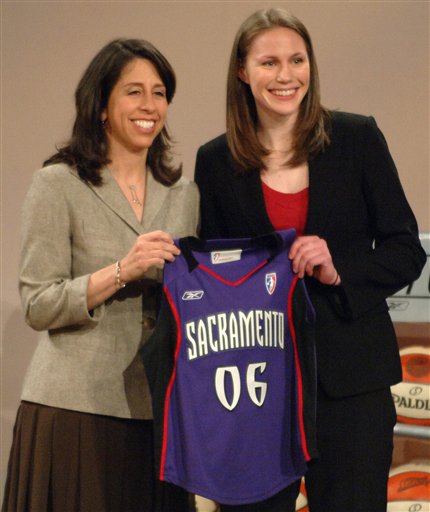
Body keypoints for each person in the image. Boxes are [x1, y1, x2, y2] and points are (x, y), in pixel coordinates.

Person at [194, 8, 426, 512]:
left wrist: (340, 267)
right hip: (255, 389)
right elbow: (213, 277)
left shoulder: (357, 138)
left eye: (297, 60)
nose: (286, 75)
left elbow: (406, 249)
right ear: (242, 71)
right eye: (269, 62)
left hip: (351, 385)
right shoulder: (214, 161)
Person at [2, 38, 199, 512]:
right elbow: (37, 303)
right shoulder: (58, 183)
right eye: (133, 91)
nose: (149, 105)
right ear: (102, 106)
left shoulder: (184, 193)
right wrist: (121, 271)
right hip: (76, 411)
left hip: (157, 410)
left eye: (159, 92)